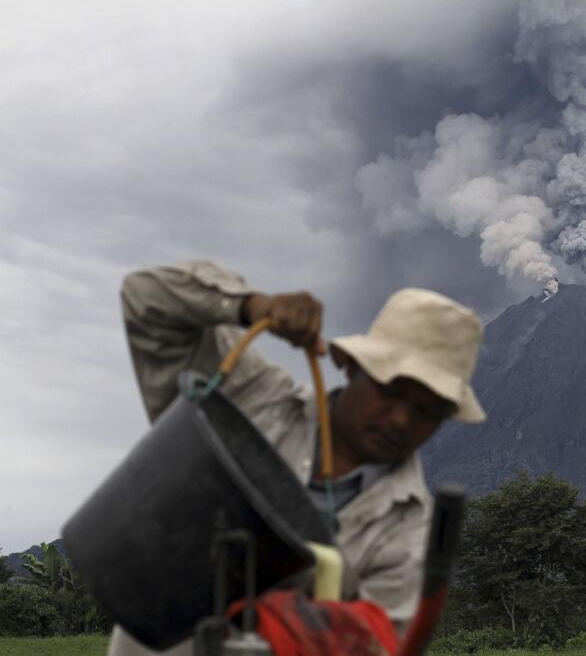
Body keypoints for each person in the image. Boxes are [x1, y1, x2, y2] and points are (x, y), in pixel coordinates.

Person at [107, 260, 486, 656]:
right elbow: (143, 296)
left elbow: (382, 644)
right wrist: (249, 306)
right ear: (351, 366)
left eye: (428, 411)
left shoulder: (409, 534)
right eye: (392, 390)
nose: (401, 420)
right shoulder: (252, 400)